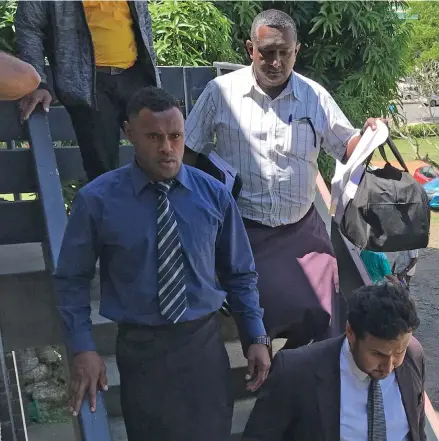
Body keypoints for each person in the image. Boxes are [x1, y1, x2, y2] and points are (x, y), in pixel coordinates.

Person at [54, 87, 271, 441]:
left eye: (175, 136)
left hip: (202, 345)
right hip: (142, 350)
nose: (167, 147)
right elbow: (71, 280)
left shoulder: (213, 195)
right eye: (154, 137)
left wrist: (255, 335)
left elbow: (240, 273)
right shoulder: (98, 201)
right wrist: (83, 347)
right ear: (129, 134)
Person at [184, 9, 385, 349]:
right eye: (267, 52)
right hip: (244, 232)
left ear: (297, 51)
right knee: (262, 310)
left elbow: (346, 148)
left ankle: (303, 376)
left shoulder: (314, 96)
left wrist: (369, 135)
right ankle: (268, 368)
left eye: (284, 53)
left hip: (302, 231)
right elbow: (187, 151)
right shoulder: (220, 93)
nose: (275, 62)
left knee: (327, 309)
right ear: (251, 49)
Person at [243, 283, 425, 441]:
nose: (388, 367)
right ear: (351, 333)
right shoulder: (294, 371)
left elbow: (417, 429)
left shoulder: (413, 356)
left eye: (398, 352)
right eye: (377, 353)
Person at [15, 1, 160, 182]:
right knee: (103, 170)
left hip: (137, 75)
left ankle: (161, 208)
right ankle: (108, 210)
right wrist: (38, 82)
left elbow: (143, 20)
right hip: (87, 83)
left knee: (161, 153)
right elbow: (29, 26)